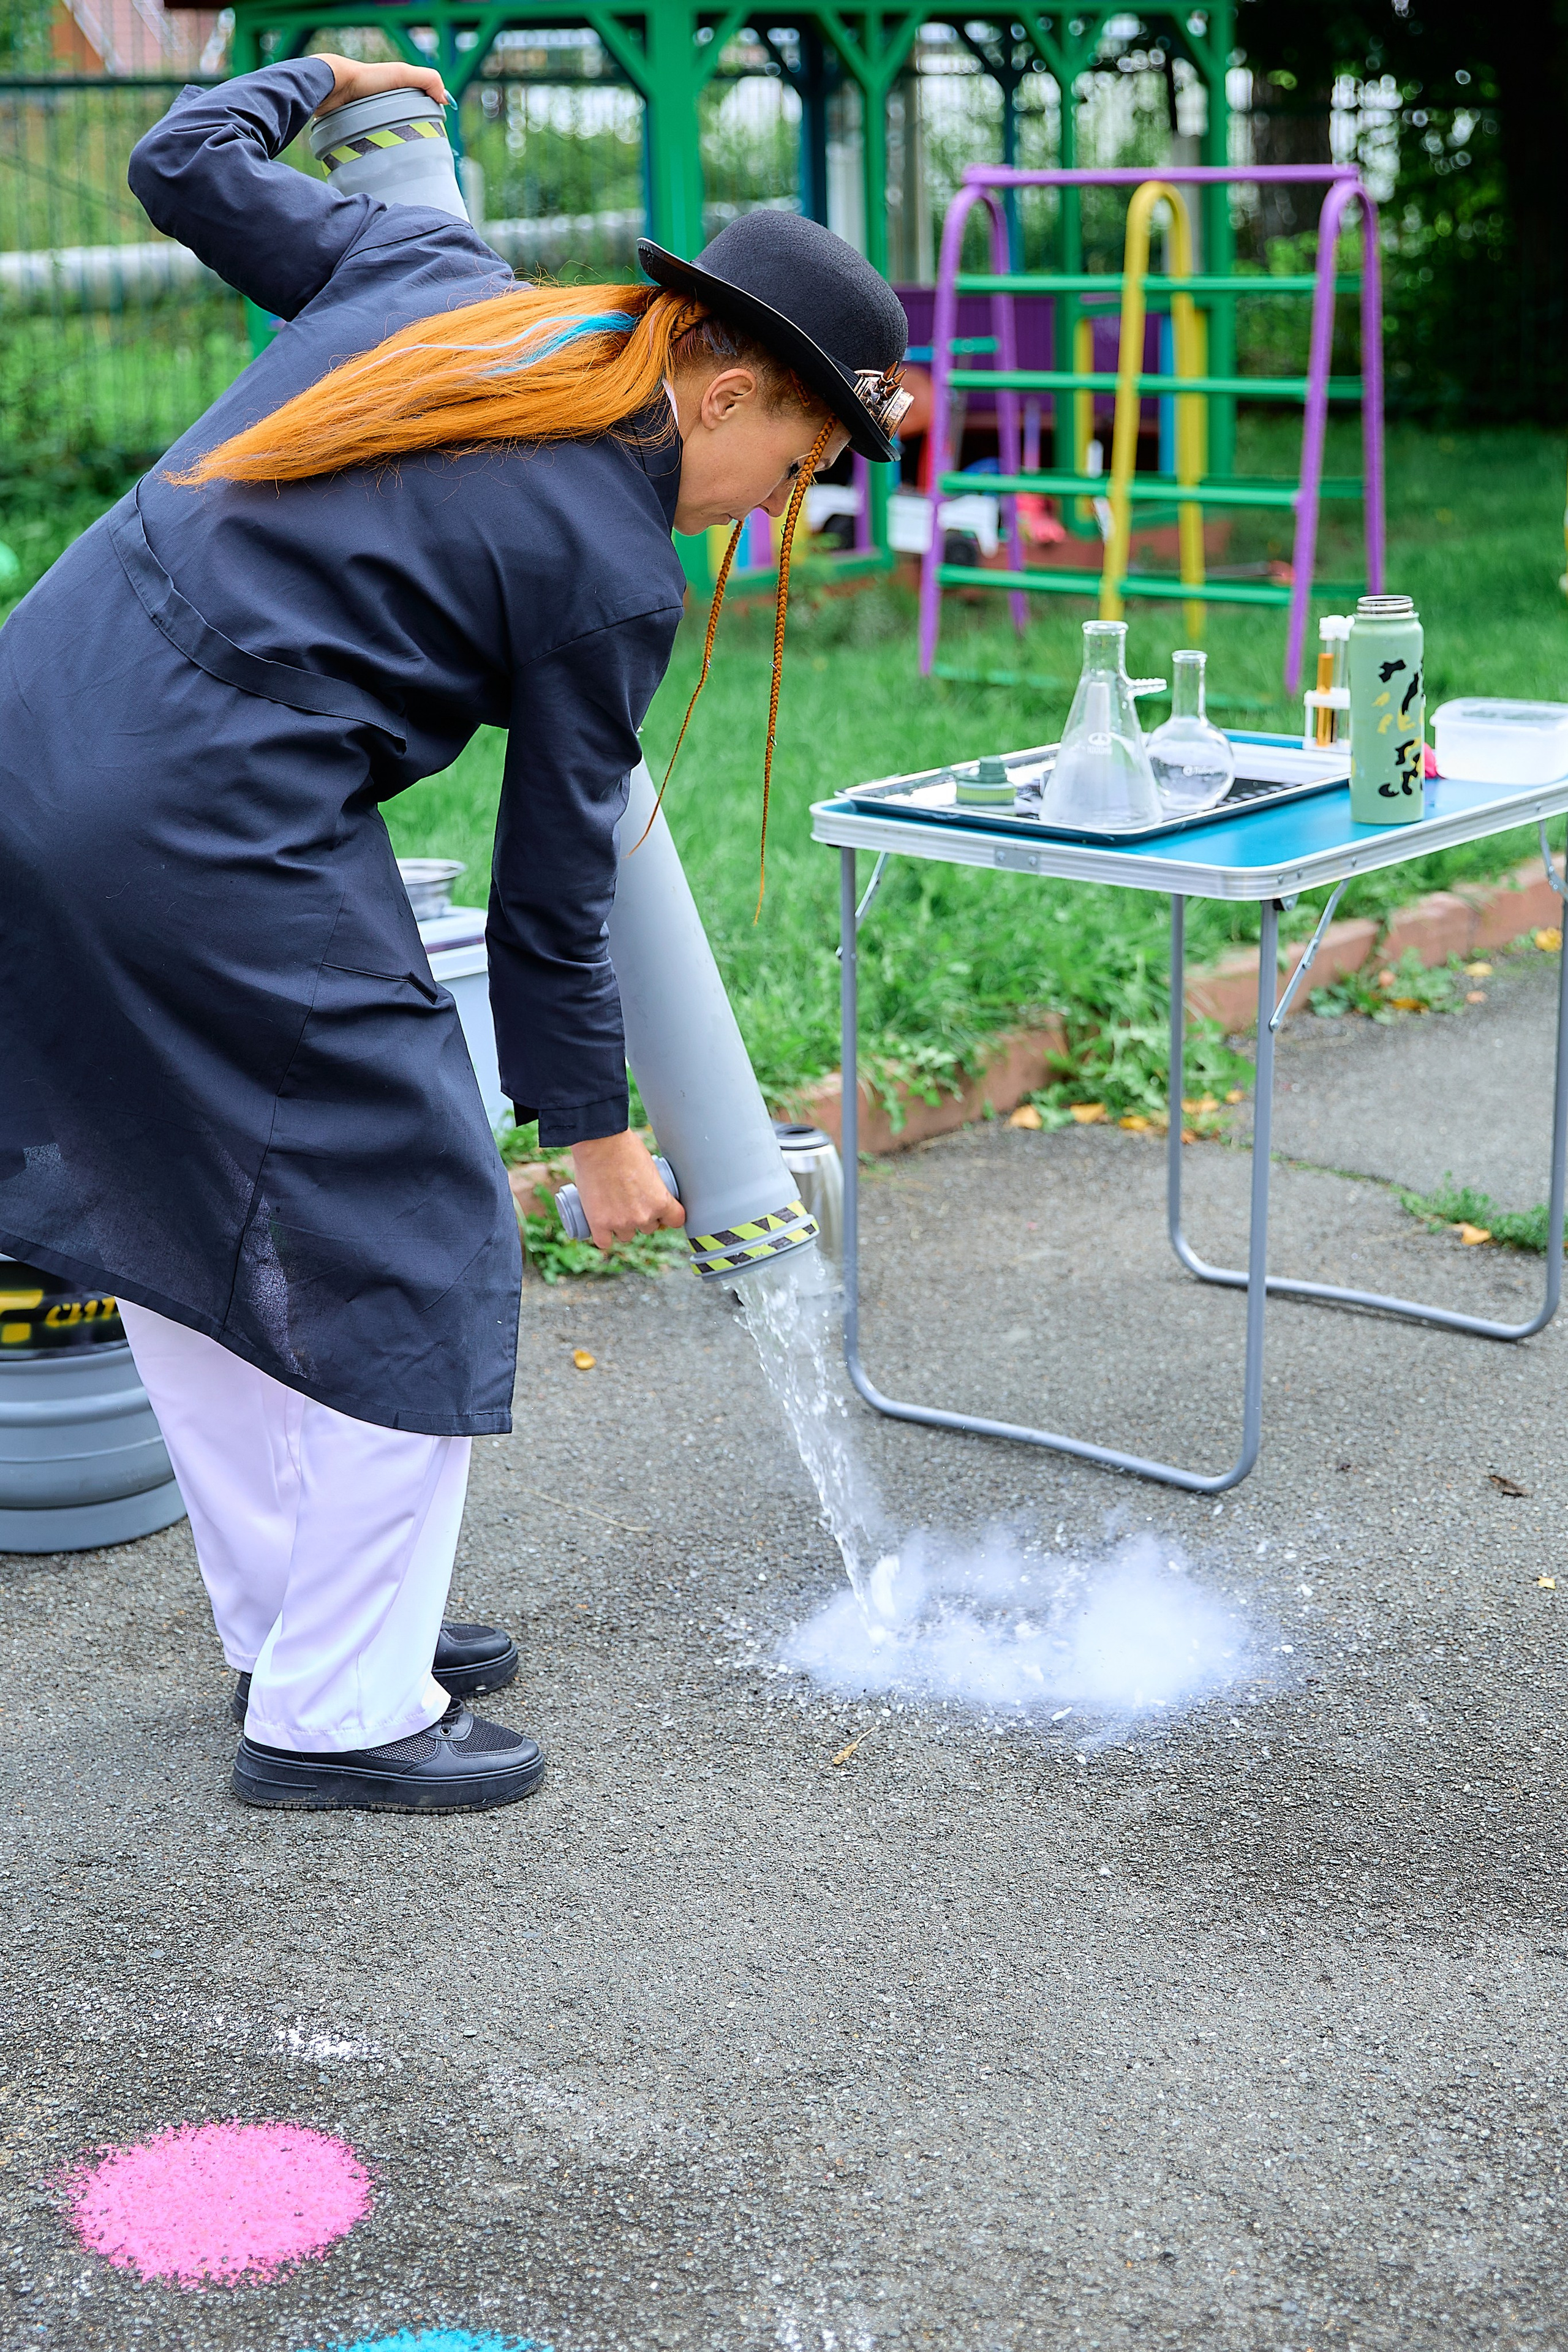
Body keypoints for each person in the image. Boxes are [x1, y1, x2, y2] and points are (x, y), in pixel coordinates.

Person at [0, 55, 909, 1813]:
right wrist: (598, 1136)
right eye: (792, 469)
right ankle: (339, 1712)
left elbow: (180, 159)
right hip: (203, 821)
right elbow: (553, 886)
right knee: (423, 1241)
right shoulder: (614, 560)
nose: (770, 513)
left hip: (40, 729)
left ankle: (308, 1629)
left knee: (170, 1187)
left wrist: (322, 80)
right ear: (726, 389)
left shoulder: (440, 283)